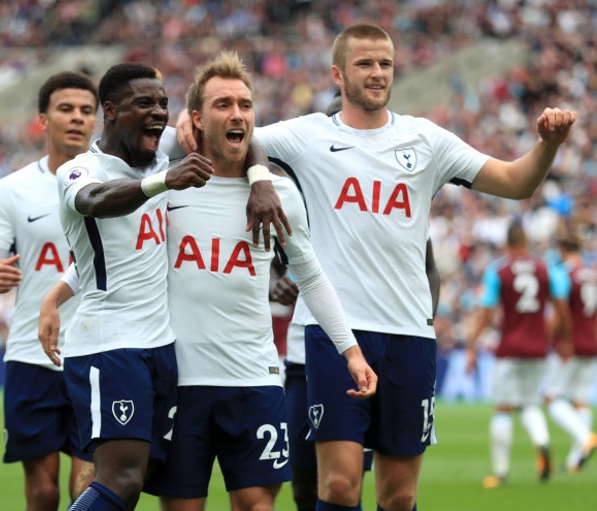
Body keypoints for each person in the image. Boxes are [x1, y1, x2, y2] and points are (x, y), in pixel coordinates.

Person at [173, 22, 578, 511]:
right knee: (339, 486)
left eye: (385, 63)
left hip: (409, 335)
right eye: (364, 63)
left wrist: (548, 145)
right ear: (337, 74)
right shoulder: (309, 136)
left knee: (400, 495)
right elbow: (234, 136)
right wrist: (198, 132)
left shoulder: (426, 140)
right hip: (333, 335)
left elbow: (516, 183)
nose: (377, 72)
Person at [47, 62, 292, 511]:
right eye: (145, 103)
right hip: (110, 342)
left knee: (140, 481)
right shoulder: (81, 169)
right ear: (111, 111)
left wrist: (258, 178)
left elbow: (239, 135)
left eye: (163, 103)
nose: (158, 112)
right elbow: (94, 202)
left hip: (162, 352)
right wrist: (165, 180)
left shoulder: (161, 158)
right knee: (120, 479)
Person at [155, 50, 376, 511]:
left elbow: (313, 278)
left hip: (254, 381)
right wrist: (60, 293)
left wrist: (351, 352)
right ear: (196, 118)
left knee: (258, 505)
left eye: (245, 104)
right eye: (222, 105)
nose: (237, 113)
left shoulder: (282, 196)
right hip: (181, 383)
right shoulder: (165, 188)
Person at [0, 71, 99, 511]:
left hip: (97, 350)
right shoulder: (12, 190)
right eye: (66, 109)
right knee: (42, 492)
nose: (77, 118)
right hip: (30, 354)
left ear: (97, 120)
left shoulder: (114, 185)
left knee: (87, 489)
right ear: (42, 120)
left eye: (86, 110)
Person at [279, 237, 439, 511]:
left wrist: (424, 320)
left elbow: (429, 266)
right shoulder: (299, 198)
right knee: (304, 484)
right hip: (304, 351)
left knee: (346, 482)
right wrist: (279, 283)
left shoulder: (394, 210)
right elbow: (272, 262)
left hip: (369, 346)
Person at [465, 222, 570, 488]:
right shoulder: (547, 269)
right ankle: (542, 443)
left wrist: (472, 345)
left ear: (508, 243)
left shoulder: (498, 270)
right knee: (529, 404)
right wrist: (561, 338)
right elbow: (561, 308)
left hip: (509, 347)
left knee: (502, 407)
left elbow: (487, 312)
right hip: (537, 349)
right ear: (525, 240)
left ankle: (500, 472)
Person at [543, 226, 597, 473]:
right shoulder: (592, 273)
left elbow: (560, 311)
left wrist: (554, 339)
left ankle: (586, 437)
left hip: (570, 344)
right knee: (580, 400)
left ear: (562, 249)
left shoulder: (563, 273)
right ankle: (577, 459)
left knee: (551, 398)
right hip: (592, 341)